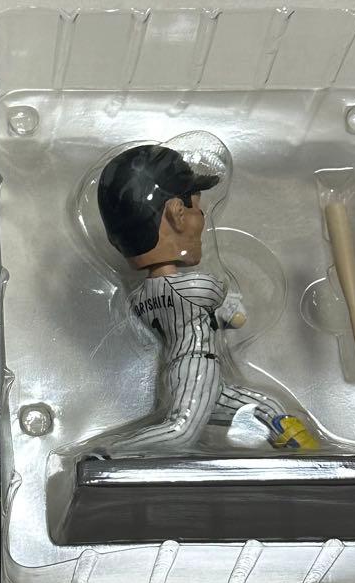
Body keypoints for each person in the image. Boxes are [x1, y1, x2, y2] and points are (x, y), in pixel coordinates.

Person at [93, 132, 319, 458]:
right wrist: (232, 304)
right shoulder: (200, 286)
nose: (203, 218)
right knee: (181, 432)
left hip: (187, 372)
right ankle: (107, 454)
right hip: (198, 365)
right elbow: (237, 318)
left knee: (269, 409)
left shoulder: (140, 297)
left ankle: (311, 460)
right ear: (177, 213)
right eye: (197, 208)